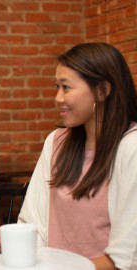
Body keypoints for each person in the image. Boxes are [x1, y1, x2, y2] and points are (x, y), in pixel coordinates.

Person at [18, 42, 137, 270]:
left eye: (66, 87)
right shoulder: (56, 142)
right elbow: (31, 223)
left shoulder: (131, 147)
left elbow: (126, 258)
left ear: (102, 90)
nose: (58, 98)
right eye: (57, 87)